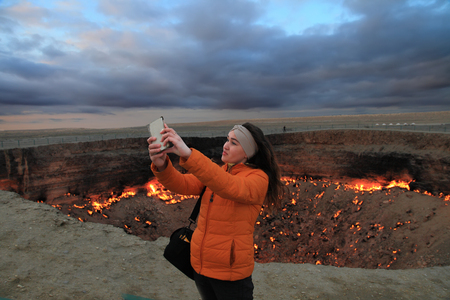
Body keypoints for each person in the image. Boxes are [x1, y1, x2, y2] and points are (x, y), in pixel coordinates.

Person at [147, 122, 284, 300]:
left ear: (248, 152)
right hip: (201, 266)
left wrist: (188, 154)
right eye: (227, 140)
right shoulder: (221, 171)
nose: (225, 145)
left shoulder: (257, 179)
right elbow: (183, 183)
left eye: (234, 143)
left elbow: (228, 186)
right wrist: (162, 165)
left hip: (230, 272)